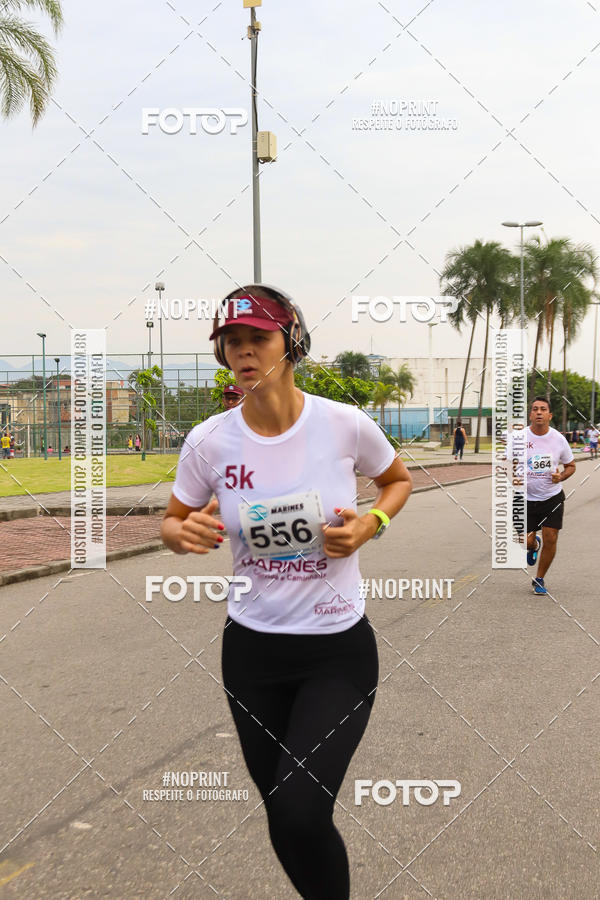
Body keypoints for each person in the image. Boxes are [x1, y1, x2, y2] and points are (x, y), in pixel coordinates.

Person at [161, 284, 412, 900]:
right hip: (252, 655)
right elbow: (172, 520)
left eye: (259, 337)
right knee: (282, 813)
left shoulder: (343, 424)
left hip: (336, 650)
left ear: (291, 341)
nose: (244, 351)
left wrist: (371, 523)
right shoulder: (210, 441)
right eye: (232, 341)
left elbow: (397, 481)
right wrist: (178, 533)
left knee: (301, 809)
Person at [525, 397, 576, 595]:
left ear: (550, 415)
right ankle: (533, 544)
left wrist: (560, 476)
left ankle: (539, 579)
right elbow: (505, 462)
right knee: (525, 541)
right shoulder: (519, 438)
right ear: (530, 414)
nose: (539, 412)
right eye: (535, 409)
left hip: (552, 497)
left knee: (551, 537)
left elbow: (570, 466)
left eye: (543, 409)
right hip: (525, 498)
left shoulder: (558, 439)